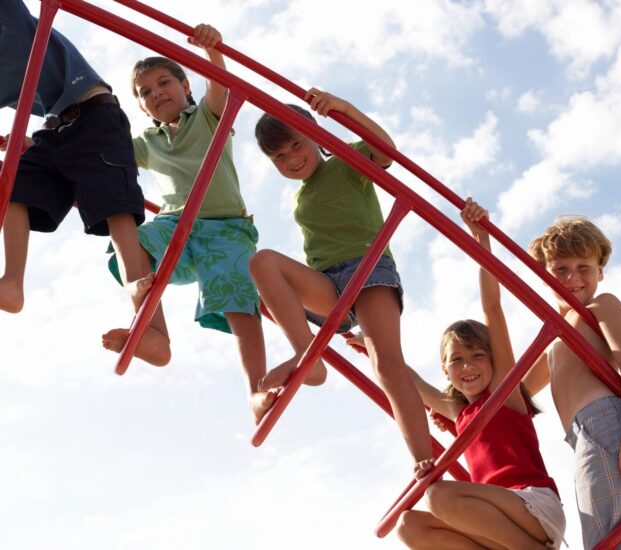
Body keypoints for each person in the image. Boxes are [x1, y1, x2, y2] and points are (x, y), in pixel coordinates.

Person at [251, 91, 434, 477]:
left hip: (368, 268)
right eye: (279, 157)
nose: (291, 159)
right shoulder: (300, 199)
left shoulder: (346, 161)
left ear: (315, 135)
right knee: (262, 262)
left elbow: (386, 152)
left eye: (296, 144)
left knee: (386, 363)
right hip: (329, 282)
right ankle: (307, 354)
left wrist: (344, 110)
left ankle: (423, 458)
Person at [102, 24, 274, 423]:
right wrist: (29, 147)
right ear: (142, 107)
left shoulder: (208, 118)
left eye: (164, 83)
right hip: (176, 226)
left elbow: (223, 87)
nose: (156, 93)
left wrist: (213, 52)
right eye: (145, 92)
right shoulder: (148, 142)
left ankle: (256, 392)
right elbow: (99, 157)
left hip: (226, 228)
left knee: (238, 298)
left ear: (185, 87)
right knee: (133, 237)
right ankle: (152, 333)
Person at [0, 0, 169, 366]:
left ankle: (155, 333)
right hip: (54, 131)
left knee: (117, 215)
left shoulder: (8, 15)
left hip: (95, 114)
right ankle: (12, 283)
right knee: (12, 186)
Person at [396, 198, 566, 549]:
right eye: (457, 359)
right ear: (446, 369)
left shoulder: (506, 392)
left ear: (493, 360)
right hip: (495, 526)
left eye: (477, 355)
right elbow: (406, 379)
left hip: (530, 506)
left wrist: (481, 240)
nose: (468, 366)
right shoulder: (459, 413)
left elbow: (492, 307)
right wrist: (371, 345)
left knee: (438, 496)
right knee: (409, 526)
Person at [524, 217, 621, 548]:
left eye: (583, 267)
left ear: (600, 271)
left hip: (608, 424)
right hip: (581, 438)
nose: (573, 277)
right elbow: (518, 391)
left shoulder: (600, 306)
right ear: (543, 274)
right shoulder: (556, 334)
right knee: (608, 536)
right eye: (560, 268)